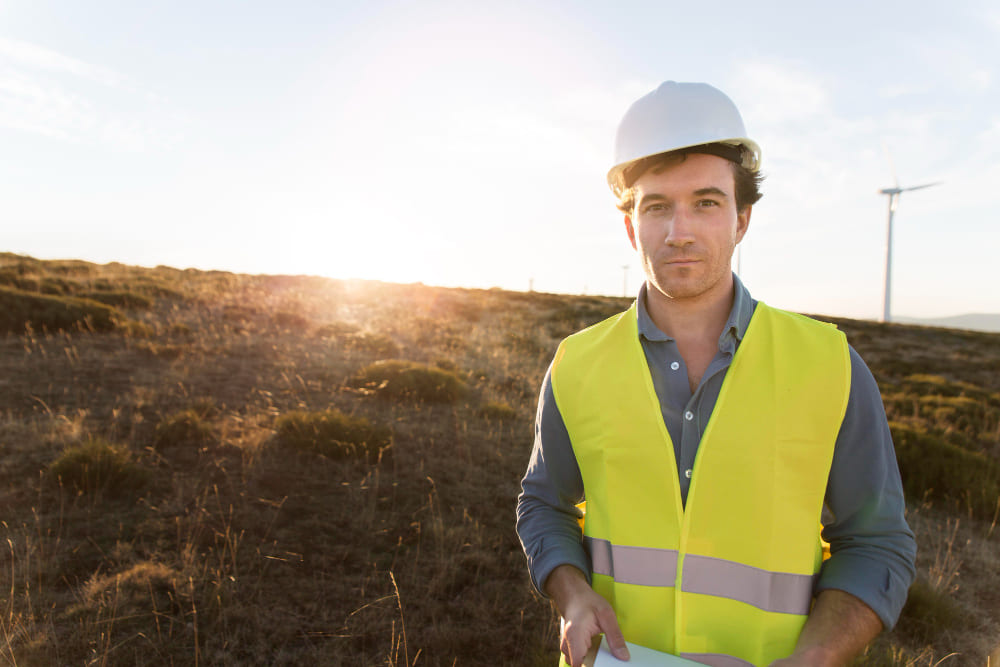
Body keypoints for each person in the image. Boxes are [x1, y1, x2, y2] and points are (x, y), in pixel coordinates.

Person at [515, 81, 917, 667]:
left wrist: (817, 656)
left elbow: (877, 542)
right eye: (656, 206)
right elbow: (543, 503)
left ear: (742, 219)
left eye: (706, 202)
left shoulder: (829, 365)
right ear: (631, 227)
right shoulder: (577, 364)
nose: (680, 231)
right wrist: (571, 594)